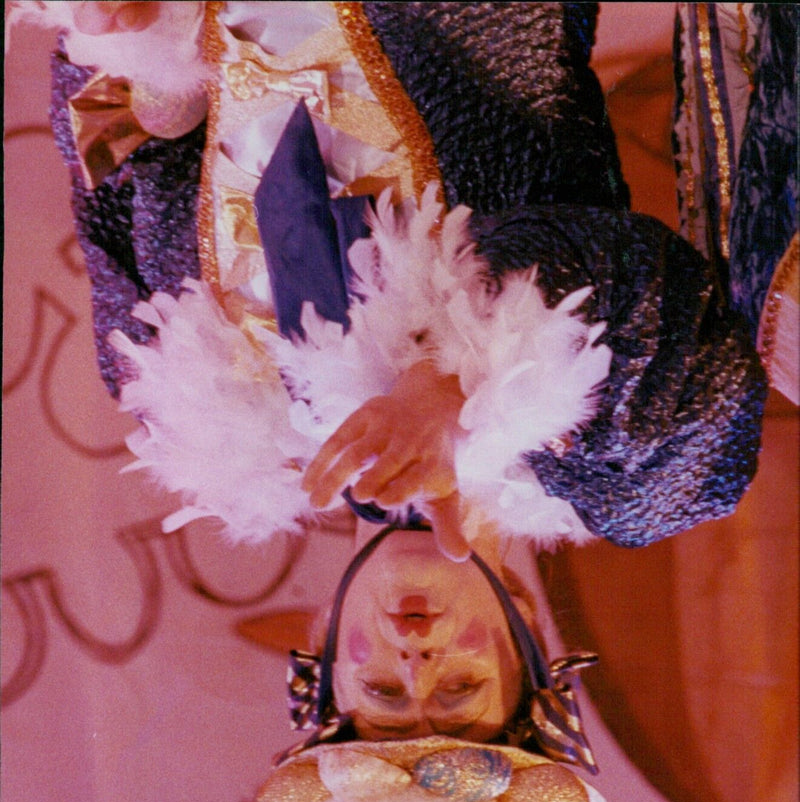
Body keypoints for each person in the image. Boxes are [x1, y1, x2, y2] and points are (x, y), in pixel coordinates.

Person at [15, 0, 769, 563]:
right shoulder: (626, 473)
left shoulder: (194, 403)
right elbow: (685, 350)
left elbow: (118, 163)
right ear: (530, 641)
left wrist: (148, 55)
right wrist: (466, 384)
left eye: (381, 704)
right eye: (459, 695)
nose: (417, 662)